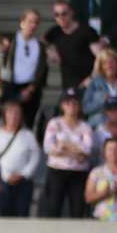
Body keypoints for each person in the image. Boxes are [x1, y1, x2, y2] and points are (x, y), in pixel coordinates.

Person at [41, 90, 95, 218]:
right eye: (68, 103)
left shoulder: (85, 126)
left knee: (77, 209)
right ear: (62, 105)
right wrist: (76, 150)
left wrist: (64, 146)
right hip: (57, 170)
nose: (71, 106)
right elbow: (48, 147)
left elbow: (87, 150)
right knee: (53, 207)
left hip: (78, 172)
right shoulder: (55, 123)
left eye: (75, 103)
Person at [0, 99, 43, 216]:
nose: (14, 116)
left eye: (17, 113)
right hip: (2, 181)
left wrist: (24, 173)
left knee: (22, 213)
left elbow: (35, 156)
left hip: (23, 181)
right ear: (5, 114)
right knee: (4, 214)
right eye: (10, 112)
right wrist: (6, 176)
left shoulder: (28, 135)